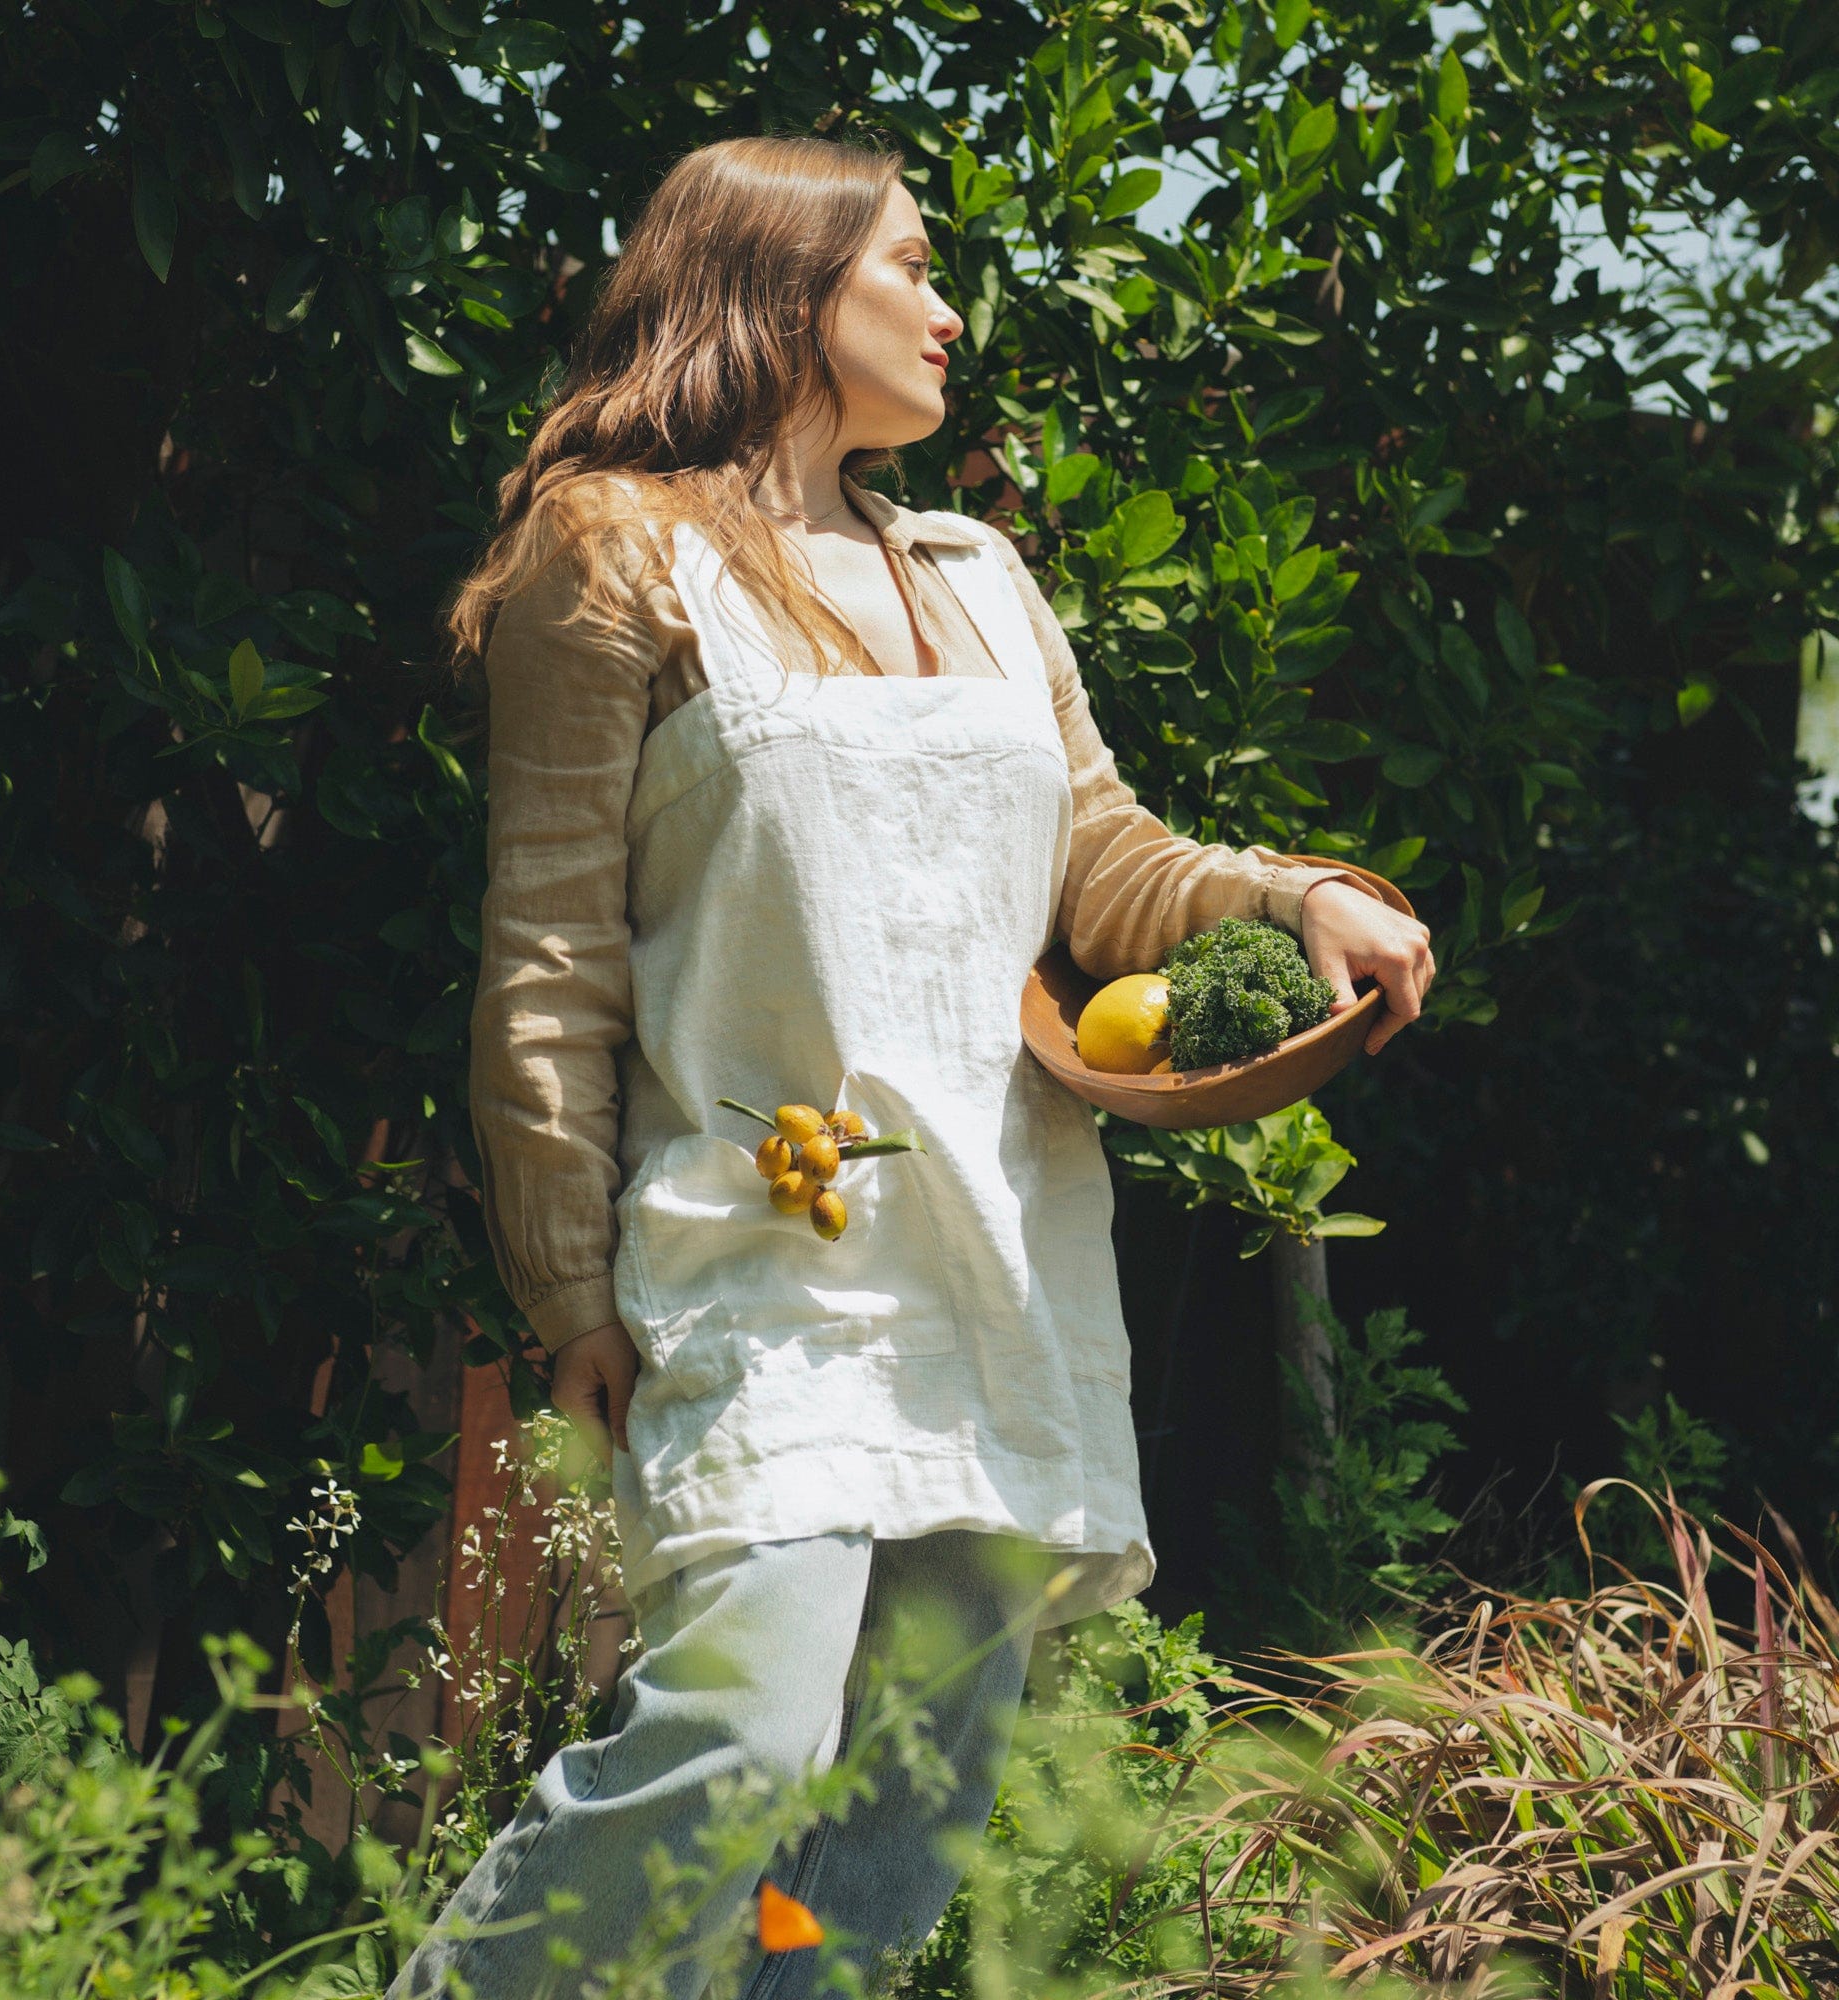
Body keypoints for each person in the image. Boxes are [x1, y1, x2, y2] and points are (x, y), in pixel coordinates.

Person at [392, 133, 1434, 1999]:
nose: (951, 314)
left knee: (899, 1807)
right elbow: (546, 955)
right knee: (744, 1737)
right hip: (756, 1249)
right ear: (786, 293)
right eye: (913, 269)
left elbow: (1102, 864)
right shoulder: (614, 549)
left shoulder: (974, 574)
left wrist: (1294, 899)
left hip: (997, 1247)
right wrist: (564, 1282)